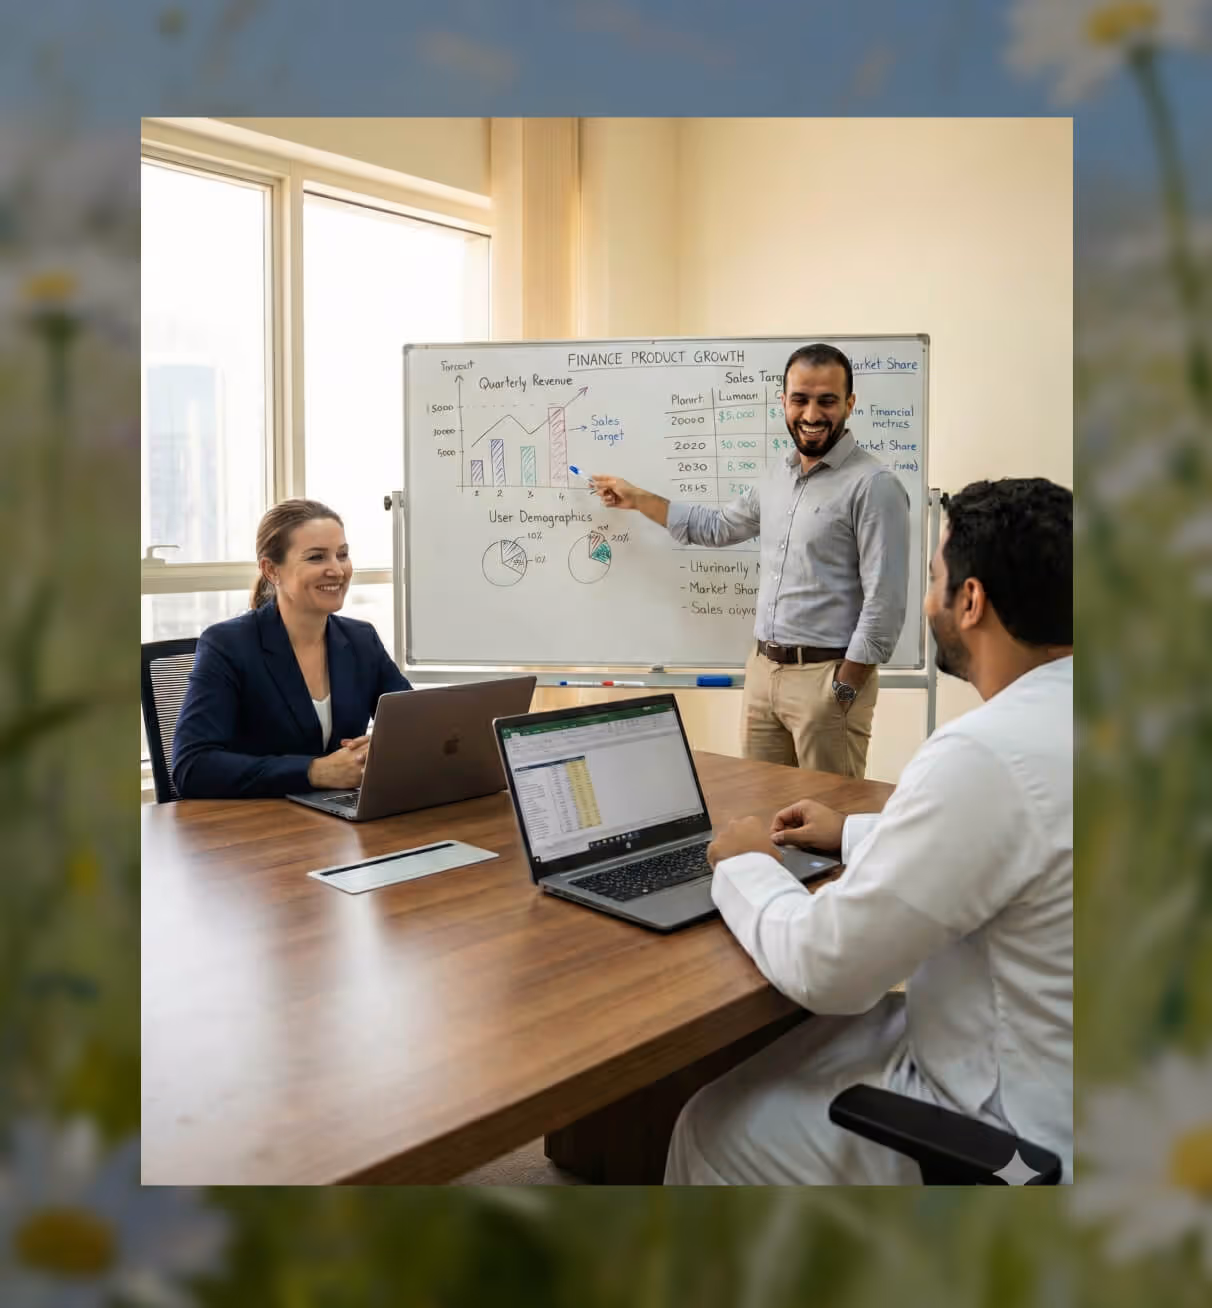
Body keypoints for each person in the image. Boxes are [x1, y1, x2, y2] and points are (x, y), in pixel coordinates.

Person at [663, 477, 1073, 1185]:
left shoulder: (983, 752)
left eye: (935, 579)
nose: (926, 599)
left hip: (1019, 1132)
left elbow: (827, 971)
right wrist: (853, 834)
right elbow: (1021, 842)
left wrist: (747, 864)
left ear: (970, 602)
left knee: (709, 1124)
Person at [591, 343, 910, 779]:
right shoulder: (776, 475)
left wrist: (843, 687)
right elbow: (717, 526)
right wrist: (638, 498)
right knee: (764, 813)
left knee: (829, 817)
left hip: (826, 680)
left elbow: (885, 602)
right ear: (783, 401)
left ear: (849, 404)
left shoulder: (874, 486)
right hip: (762, 675)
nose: (812, 414)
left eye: (827, 400)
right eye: (800, 399)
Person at [172, 499, 411, 799]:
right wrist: (314, 771)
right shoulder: (228, 645)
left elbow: (414, 725)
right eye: (316, 558)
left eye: (342, 555)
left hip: (341, 824)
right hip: (260, 831)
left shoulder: (362, 640)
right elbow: (192, 767)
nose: (336, 570)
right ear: (271, 570)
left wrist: (380, 746)